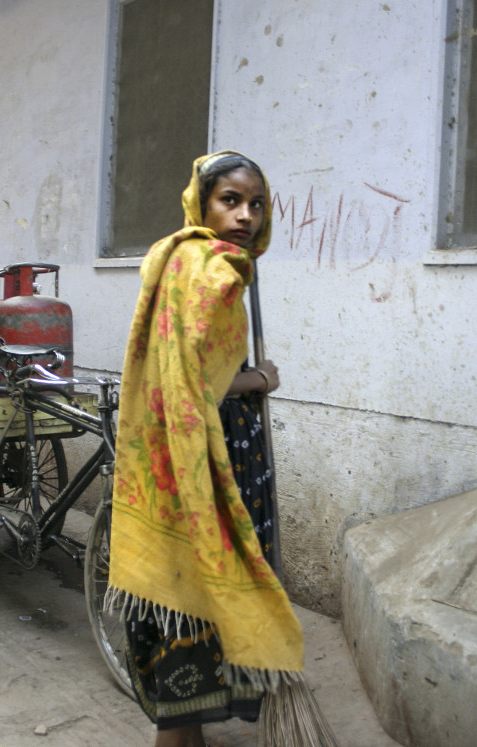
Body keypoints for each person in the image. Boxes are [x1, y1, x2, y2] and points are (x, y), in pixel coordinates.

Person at [107, 152, 305, 747]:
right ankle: (179, 735)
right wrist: (258, 379)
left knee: (182, 585)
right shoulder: (217, 268)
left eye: (256, 204)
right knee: (215, 574)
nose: (245, 216)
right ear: (202, 201)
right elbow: (197, 375)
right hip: (214, 452)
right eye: (230, 201)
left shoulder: (175, 257)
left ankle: (182, 728)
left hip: (167, 454)